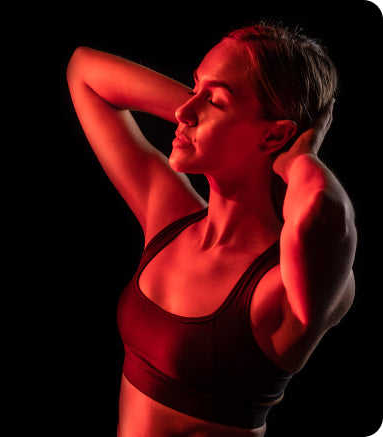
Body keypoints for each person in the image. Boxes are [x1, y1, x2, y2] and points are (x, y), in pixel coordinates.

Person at [66, 23, 356, 437]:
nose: (184, 109)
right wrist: (201, 115)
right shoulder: (170, 217)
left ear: (275, 133)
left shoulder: (285, 283)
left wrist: (298, 157)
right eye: (193, 87)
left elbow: (323, 210)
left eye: (215, 99)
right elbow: (84, 71)